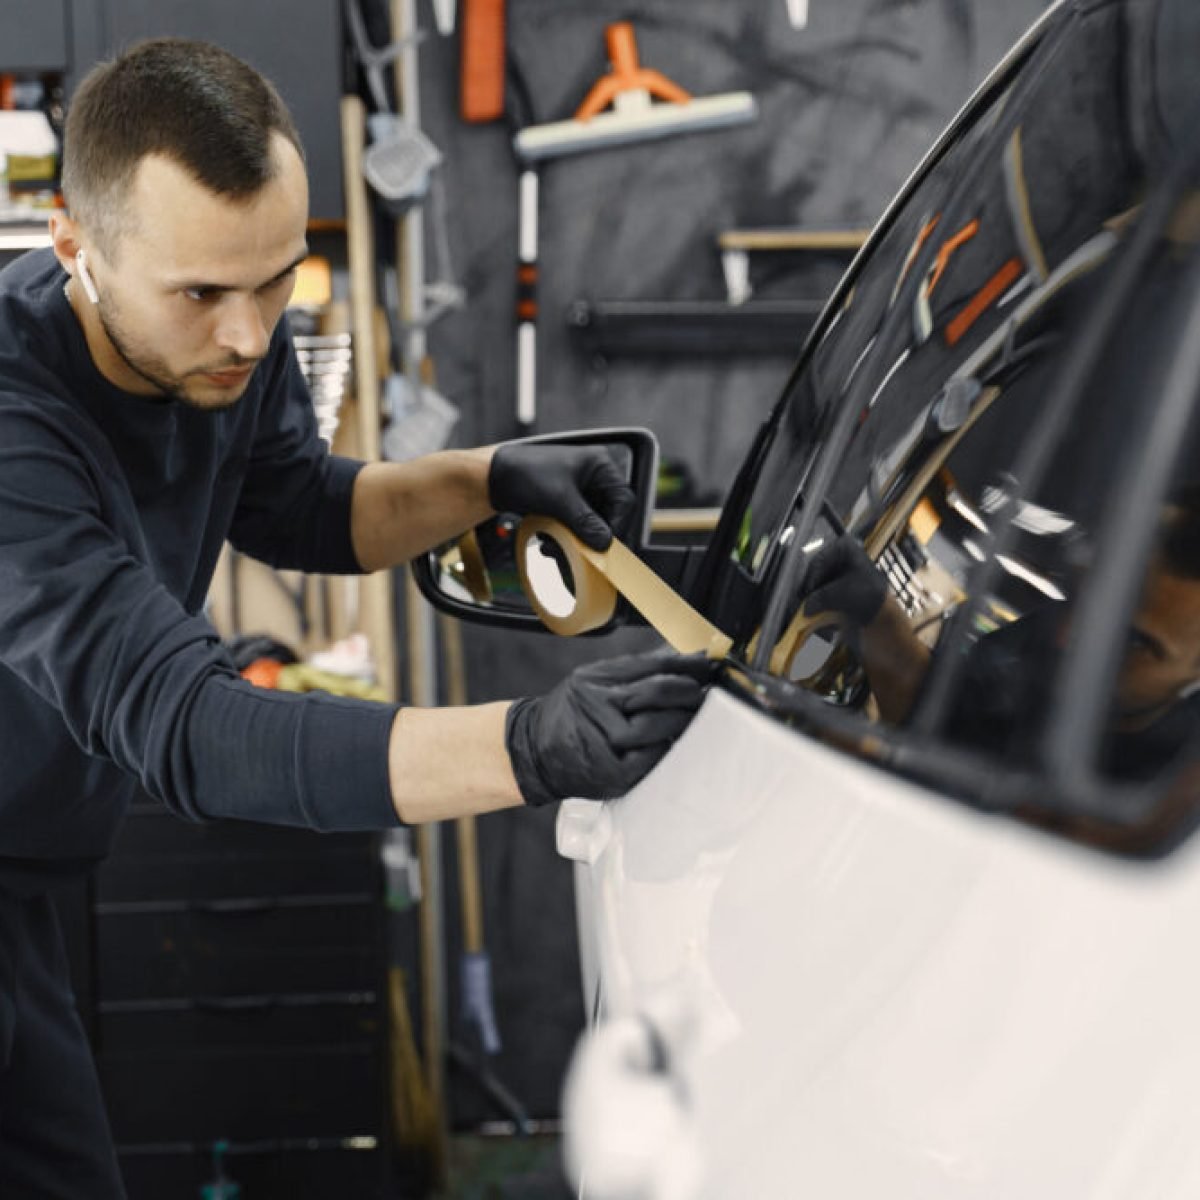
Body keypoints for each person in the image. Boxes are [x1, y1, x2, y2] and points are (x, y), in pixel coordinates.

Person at [0, 39, 712, 1198]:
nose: (249, 334)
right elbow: (191, 728)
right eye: (202, 295)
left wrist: (485, 477)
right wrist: (526, 748)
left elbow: (299, 506)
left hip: (23, 876)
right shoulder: (14, 422)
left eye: (276, 280)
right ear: (74, 246)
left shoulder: (224, 341)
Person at [800, 490, 1200, 780]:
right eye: (1080, 598)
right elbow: (945, 717)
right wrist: (876, 613)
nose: (1067, 637)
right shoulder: (1038, 641)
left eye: (1130, 640)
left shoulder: (1170, 812)